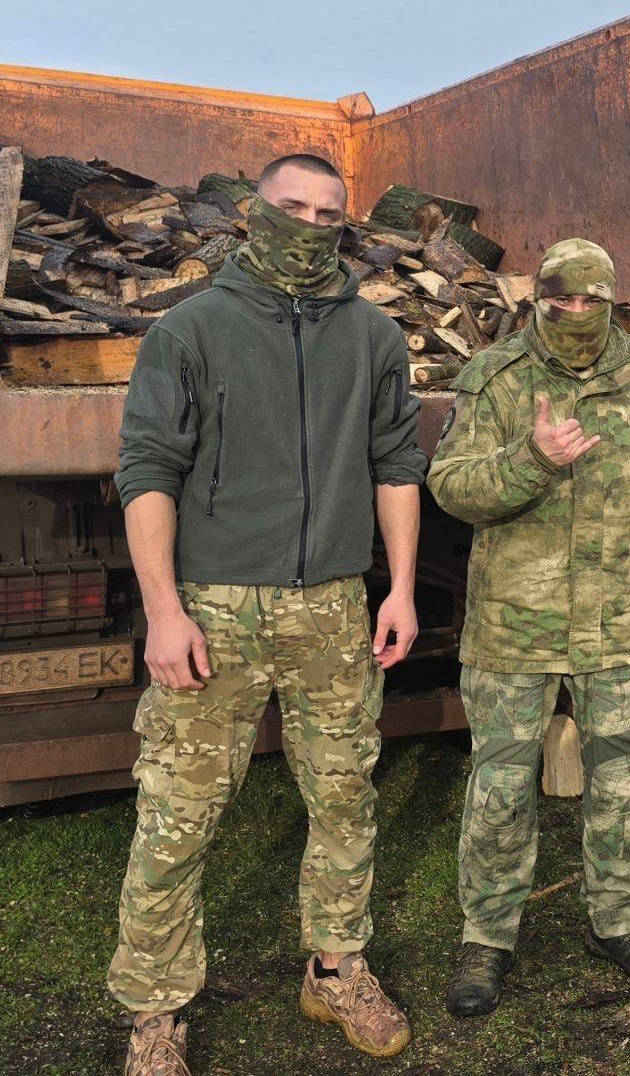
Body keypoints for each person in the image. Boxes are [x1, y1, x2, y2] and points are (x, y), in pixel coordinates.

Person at [110, 154, 426, 1075]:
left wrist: (399, 586)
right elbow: (147, 473)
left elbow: (395, 464)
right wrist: (164, 611)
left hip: (333, 606)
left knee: (343, 796)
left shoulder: (372, 336)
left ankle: (336, 967)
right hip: (216, 606)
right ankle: (156, 1016)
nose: (311, 223)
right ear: (254, 213)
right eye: (293, 206)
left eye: (330, 212)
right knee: (178, 812)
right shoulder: (192, 329)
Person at [427, 238, 630, 1018]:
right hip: (514, 627)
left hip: (620, 623)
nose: (576, 311)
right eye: (562, 298)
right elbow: (450, 486)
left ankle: (618, 919)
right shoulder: (497, 378)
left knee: (619, 778)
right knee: (500, 784)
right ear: (539, 299)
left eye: (592, 299)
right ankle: (487, 935)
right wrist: (532, 458)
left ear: (611, 297)